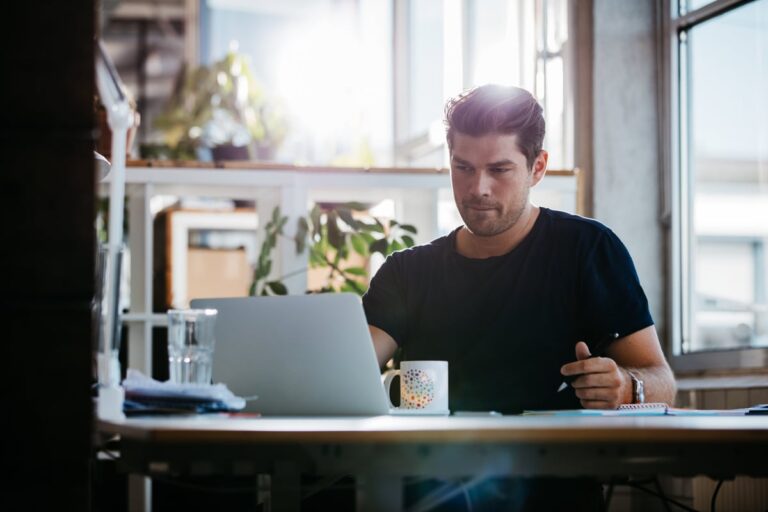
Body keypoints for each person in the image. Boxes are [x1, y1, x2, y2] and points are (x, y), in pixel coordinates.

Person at [362, 84, 676, 510]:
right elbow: (352, 375)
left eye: (500, 169)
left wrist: (625, 386)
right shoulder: (406, 272)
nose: (479, 189)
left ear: (538, 167)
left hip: (555, 496)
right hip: (432, 496)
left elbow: (662, 382)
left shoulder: (587, 250)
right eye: (463, 168)